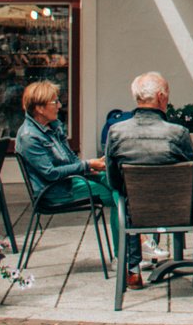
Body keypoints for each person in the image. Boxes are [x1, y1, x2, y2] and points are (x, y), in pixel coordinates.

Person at [105, 71, 193, 290]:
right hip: (180, 211)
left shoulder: (116, 132)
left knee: (126, 199)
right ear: (161, 97)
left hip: (138, 213)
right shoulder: (177, 133)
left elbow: (113, 181)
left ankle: (132, 271)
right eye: (167, 95)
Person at [15, 80, 118, 249]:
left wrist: (91, 167)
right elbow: (50, 173)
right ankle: (125, 255)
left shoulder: (52, 127)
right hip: (57, 190)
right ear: (39, 108)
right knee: (117, 195)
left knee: (116, 181)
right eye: (55, 102)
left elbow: (70, 158)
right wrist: (86, 165)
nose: (59, 105)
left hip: (70, 180)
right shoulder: (29, 137)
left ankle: (132, 251)